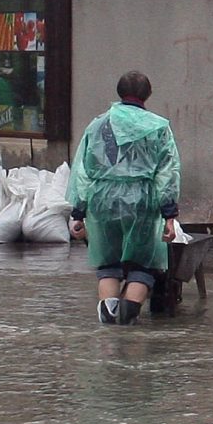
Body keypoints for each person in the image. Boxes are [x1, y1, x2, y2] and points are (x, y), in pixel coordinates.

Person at [67, 70, 182, 325]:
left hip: (102, 200)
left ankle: (109, 321)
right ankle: (129, 316)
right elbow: (167, 172)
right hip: (142, 200)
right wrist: (169, 215)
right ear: (147, 94)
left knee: (108, 262)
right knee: (143, 264)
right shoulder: (159, 128)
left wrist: (78, 212)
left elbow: (83, 170)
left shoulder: (97, 125)